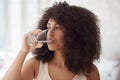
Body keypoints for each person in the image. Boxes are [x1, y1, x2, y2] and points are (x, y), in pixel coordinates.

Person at [3, 1, 101, 80]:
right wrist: (23, 51)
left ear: (74, 34)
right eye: (48, 27)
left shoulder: (90, 71)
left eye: (58, 27)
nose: (50, 33)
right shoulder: (36, 64)